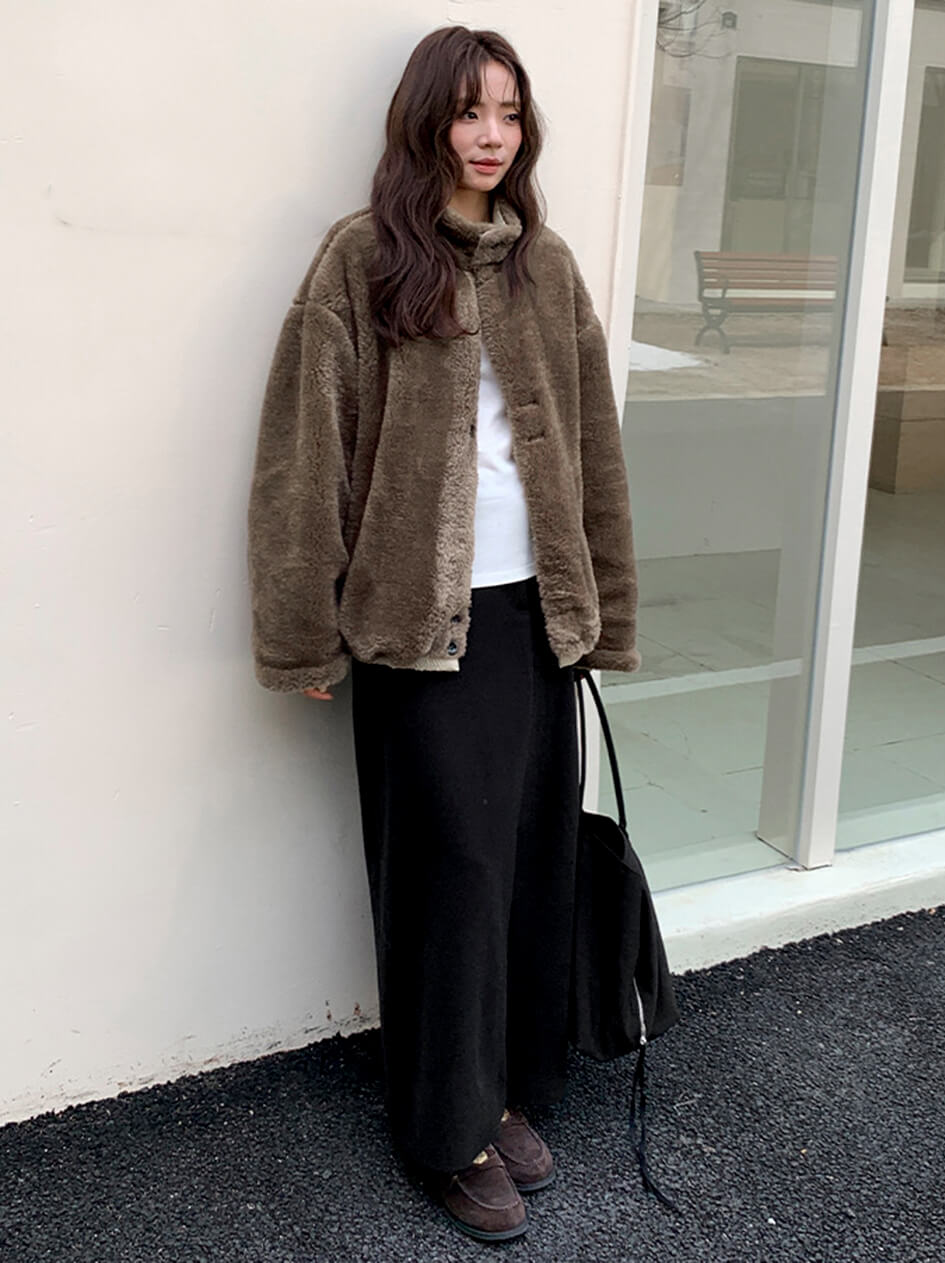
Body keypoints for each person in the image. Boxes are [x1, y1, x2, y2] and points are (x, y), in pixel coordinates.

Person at [247, 25, 640, 1243]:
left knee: (529, 866)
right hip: (418, 630)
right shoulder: (363, 258)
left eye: (509, 113)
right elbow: (304, 451)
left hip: (536, 618)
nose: (490, 135)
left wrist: (603, 610)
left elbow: (593, 447)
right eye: (470, 111)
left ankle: (508, 1089)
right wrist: (302, 631)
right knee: (449, 884)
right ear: (425, 122)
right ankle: (446, 1130)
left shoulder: (545, 265)